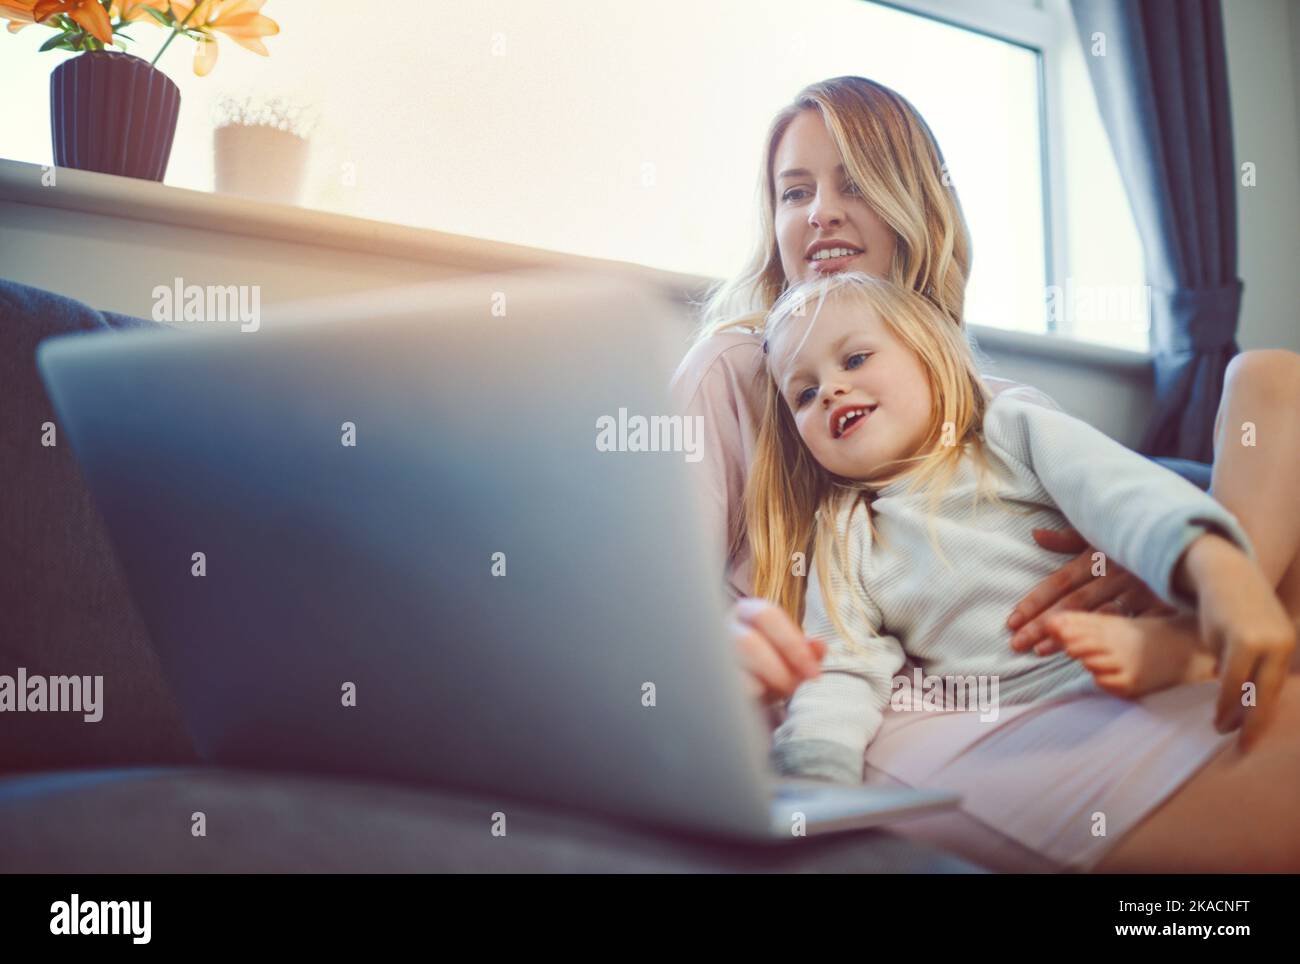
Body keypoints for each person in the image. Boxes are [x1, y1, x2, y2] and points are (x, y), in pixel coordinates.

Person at [668, 76, 1300, 871]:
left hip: (1074, 655)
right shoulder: (737, 368)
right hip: (909, 701)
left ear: (914, 204)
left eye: (853, 181)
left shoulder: (999, 408)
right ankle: (1204, 630)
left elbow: (1121, 498)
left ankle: (1197, 624)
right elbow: (649, 613)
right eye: (794, 192)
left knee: (1275, 384)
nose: (819, 210)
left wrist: (1140, 564)